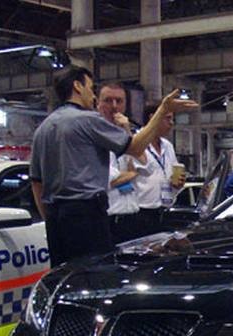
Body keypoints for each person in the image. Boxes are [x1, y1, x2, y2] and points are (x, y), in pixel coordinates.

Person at [29, 65, 198, 266]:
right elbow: (135, 147)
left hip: (55, 219)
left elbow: (36, 182)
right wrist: (162, 110)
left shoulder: (44, 128)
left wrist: (50, 218)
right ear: (77, 86)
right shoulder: (87, 120)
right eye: (90, 88)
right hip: (87, 215)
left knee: (64, 275)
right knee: (95, 273)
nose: (92, 96)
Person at [97, 82, 143, 244]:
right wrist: (132, 173)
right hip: (108, 218)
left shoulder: (128, 134)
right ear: (98, 104)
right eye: (108, 101)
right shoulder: (93, 136)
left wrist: (126, 130)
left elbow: (143, 165)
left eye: (119, 101)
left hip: (132, 216)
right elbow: (106, 180)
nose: (114, 106)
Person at [132, 104, 184, 236]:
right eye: (168, 118)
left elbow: (172, 175)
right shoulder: (135, 142)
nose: (171, 123)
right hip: (140, 212)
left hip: (164, 210)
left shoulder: (168, 146)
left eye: (172, 119)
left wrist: (177, 184)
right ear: (153, 118)